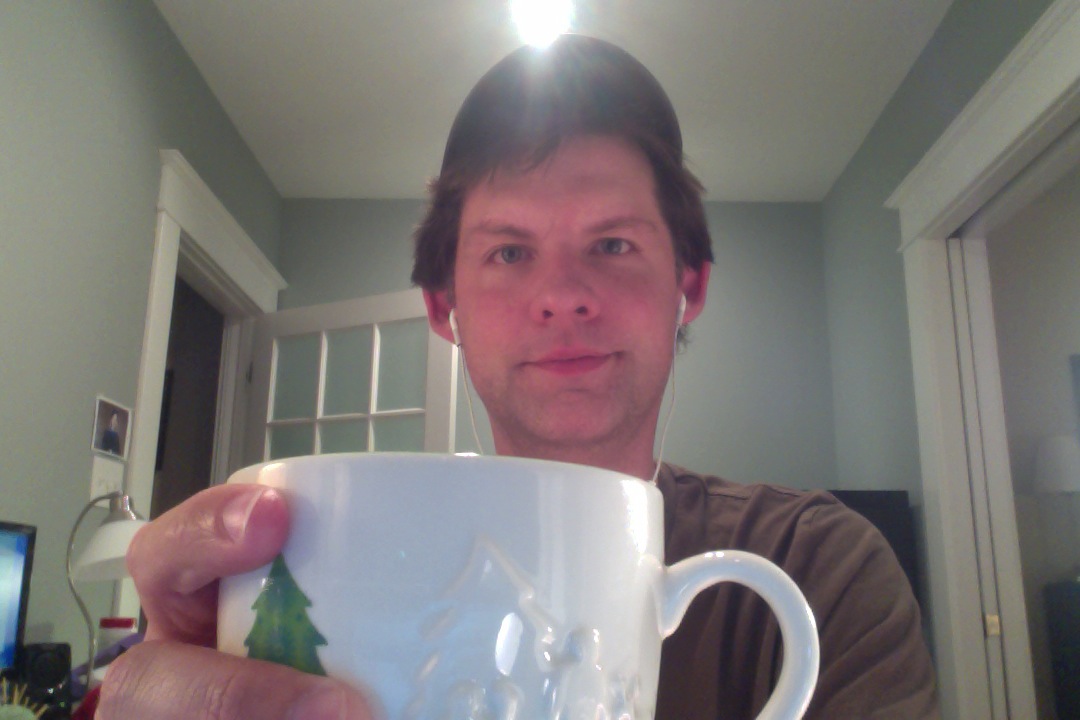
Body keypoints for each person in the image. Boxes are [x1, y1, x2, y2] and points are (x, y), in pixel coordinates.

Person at [98, 35, 939, 719]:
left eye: (613, 244)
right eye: (508, 252)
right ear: (444, 308)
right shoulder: (311, 564)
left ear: (688, 288)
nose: (563, 296)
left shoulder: (816, 569)